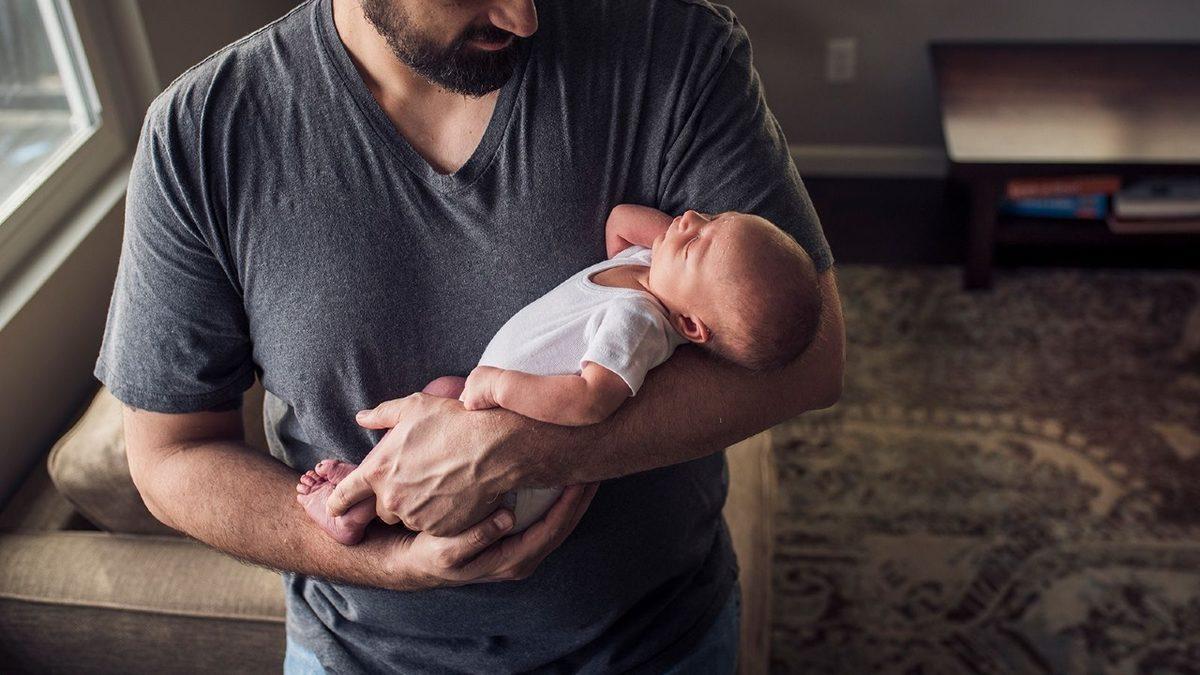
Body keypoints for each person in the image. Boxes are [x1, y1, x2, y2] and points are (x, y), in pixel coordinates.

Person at [95, 0, 845, 671]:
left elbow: (808, 356)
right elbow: (169, 456)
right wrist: (396, 563)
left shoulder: (671, 47)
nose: (525, 18)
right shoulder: (200, 135)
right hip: (361, 655)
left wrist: (517, 449)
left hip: (657, 642)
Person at [297, 203, 822, 541]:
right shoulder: (653, 269)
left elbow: (591, 399)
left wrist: (506, 386)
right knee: (439, 397)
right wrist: (679, 244)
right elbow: (620, 221)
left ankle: (352, 508)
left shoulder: (638, 321)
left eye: (693, 246)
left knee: (436, 431)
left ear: (689, 324)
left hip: (513, 486)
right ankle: (364, 486)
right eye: (709, 218)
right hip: (480, 415)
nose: (687, 219)